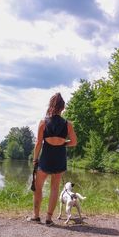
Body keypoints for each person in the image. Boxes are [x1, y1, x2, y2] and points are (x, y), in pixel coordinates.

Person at [27, 93, 77, 226]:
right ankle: (49, 219)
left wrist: (35, 159)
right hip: (60, 158)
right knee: (54, 188)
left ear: (50, 105)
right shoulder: (68, 124)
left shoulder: (43, 122)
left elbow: (38, 143)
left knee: (38, 187)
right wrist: (62, 143)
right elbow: (73, 142)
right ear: (63, 107)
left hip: (46, 158)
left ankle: (36, 216)